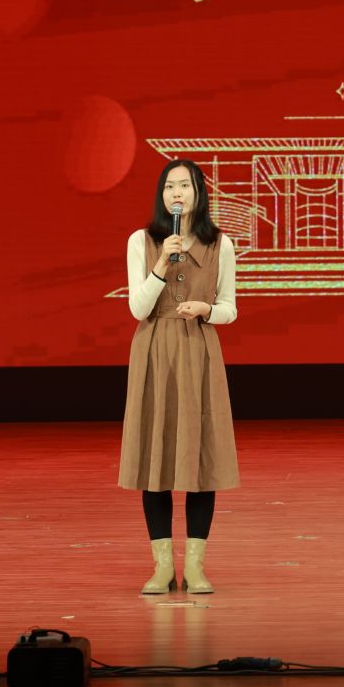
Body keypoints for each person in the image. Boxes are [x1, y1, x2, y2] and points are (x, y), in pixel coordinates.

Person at [118, 157, 239, 594]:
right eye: (170, 186)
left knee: (200, 457)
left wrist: (207, 309)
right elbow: (138, 308)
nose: (177, 193)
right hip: (154, 351)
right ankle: (163, 567)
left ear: (199, 193)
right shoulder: (143, 241)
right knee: (156, 456)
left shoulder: (220, 243)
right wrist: (160, 266)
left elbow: (230, 308)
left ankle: (197, 567)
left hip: (198, 350)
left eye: (185, 186)